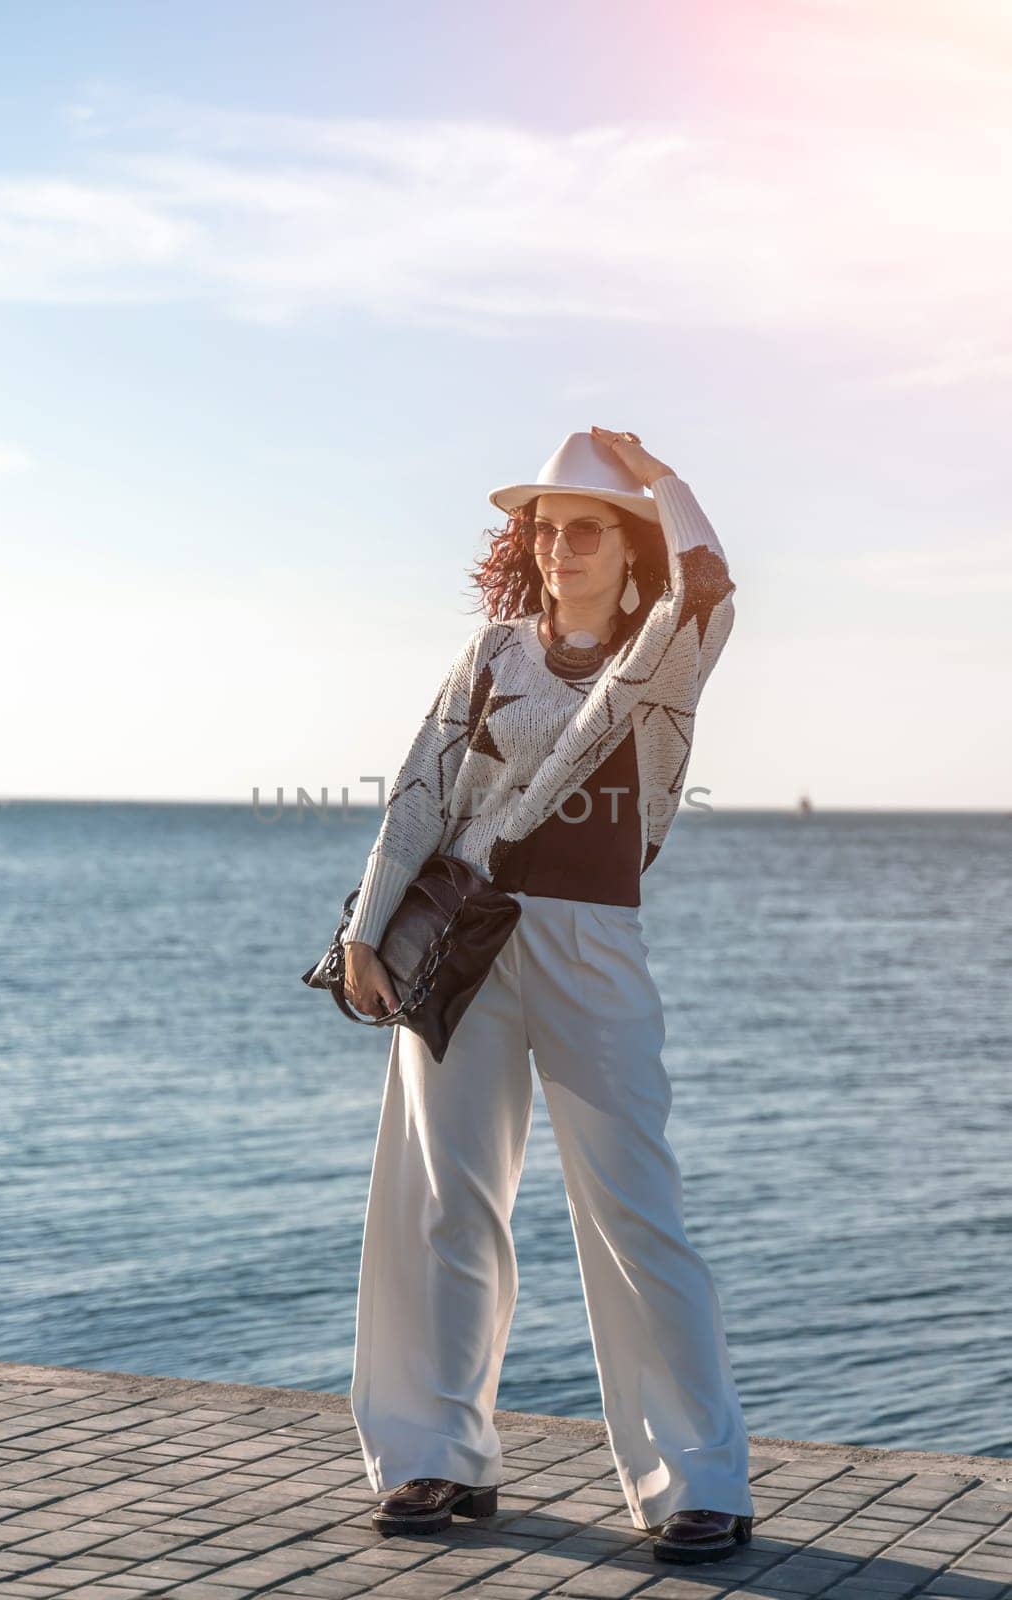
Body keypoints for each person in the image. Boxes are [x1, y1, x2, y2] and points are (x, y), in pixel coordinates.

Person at [339, 425, 753, 1567]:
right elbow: (420, 787)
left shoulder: (666, 652)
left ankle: (695, 1481)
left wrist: (664, 478)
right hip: (460, 937)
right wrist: (363, 926)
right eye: (546, 528)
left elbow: (711, 579)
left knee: (633, 1208)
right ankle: (435, 1455)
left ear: (629, 552)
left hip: (589, 939)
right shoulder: (489, 653)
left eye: (585, 529)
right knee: (443, 1203)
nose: (559, 546)